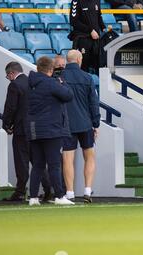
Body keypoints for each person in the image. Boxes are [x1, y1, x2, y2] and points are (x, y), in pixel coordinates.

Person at [26, 57, 74, 206]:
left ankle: (33, 197)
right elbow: (68, 95)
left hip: (34, 129)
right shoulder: (51, 83)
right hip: (51, 129)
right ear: (50, 69)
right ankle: (59, 196)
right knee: (54, 164)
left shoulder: (30, 83)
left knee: (38, 165)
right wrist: (62, 82)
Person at [2, 62, 52, 201]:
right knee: (37, 161)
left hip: (21, 129)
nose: (9, 78)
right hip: (35, 128)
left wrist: (7, 124)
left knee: (21, 161)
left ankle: (20, 191)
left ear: (11, 73)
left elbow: (11, 107)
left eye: (8, 76)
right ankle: (48, 189)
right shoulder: (33, 83)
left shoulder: (14, 85)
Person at [61, 50, 100, 204]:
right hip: (85, 124)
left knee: (67, 159)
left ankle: (70, 193)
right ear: (78, 60)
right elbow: (93, 103)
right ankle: (87, 190)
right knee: (89, 157)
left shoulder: (60, 78)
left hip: (67, 125)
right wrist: (96, 123)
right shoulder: (88, 77)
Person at [69, 0, 105, 74]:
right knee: (84, 66)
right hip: (82, 39)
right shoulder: (76, 1)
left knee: (98, 66)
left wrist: (103, 28)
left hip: (96, 40)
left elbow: (98, 16)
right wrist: (90, 30)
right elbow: (73, 21)